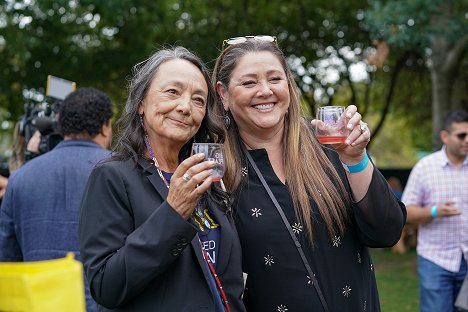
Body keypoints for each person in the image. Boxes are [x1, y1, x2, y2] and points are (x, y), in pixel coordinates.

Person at [212, 36, 406, 311]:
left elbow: (386, 232)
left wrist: (356, 159)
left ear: (288, 86)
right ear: (224, 94)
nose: (265, 90)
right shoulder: (215, 169)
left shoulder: (330, 144)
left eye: (275, 79)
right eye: (249, 82)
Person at [79, 47, 246, 311]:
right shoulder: (112, 176)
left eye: (198, 100)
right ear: (141, 103)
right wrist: (173, 213)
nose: (184, 107)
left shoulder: (205, 175)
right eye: (172, 92)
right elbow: (105, 286)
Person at [0, 87, 113, 312]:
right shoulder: (124, 171)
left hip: (36, 305)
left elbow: (6, 257)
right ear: (104, 126)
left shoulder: (20, 178)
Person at [402, 109, 468, 312]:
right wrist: (434, 212)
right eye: (461, 135)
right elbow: (405, 212)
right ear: (445, 136)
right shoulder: (424, 168)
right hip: (435, 261)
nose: (467, 140)